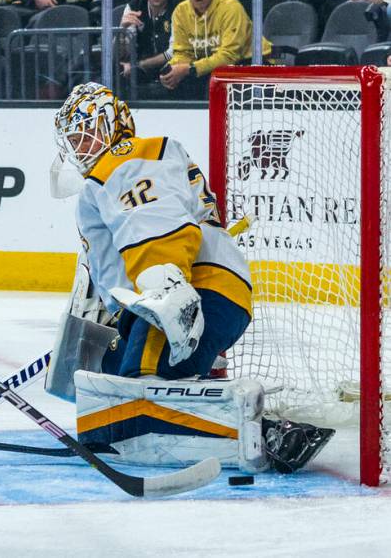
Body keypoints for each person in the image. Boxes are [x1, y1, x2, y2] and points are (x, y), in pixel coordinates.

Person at [46, 82, 334, 475]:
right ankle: (234, 414)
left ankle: (261, 432)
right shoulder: (111, 177)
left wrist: (166, 284)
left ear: (115, 123)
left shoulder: (128, 155)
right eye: (74, 139)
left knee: (138, 392)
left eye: (86, 132)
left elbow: (154, 224)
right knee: (112, 401)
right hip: (207, 293)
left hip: (185, 295)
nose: (81, 146)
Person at [160, 0, 270, 99]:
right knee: (174, 85)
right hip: (211, 65)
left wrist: (191, 69)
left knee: (213, 86)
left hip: (254, 63)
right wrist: (172, 68)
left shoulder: (230, 7)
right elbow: (183, 52)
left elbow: (230, 56)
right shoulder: (180, 12)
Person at [117, 0, 182, 95]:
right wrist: (122, 31)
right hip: (142, 75)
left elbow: (172, 52)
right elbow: (122, 55)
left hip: (172, 73)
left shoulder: (181, 7)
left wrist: (138, 65)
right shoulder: (134, 6)